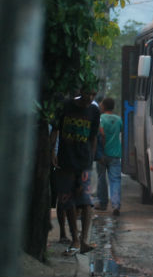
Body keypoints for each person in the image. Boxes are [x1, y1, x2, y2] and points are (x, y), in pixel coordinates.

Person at [51, 87, 100, 255]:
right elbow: (55, 130)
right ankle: (75, 240)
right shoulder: (65, 106)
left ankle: (84, 240)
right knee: (67, 200)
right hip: (65, 160)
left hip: (84, 161)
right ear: (80, 91)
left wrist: (90, 160)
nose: (90, 97)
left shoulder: (94, 110)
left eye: (94, 94)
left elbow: (93, 138)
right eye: (88, 93)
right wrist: (53, 152)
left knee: (86, 201)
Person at [94, 97, 123, 216]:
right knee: (115, 180)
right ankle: (116, 205)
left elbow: (99, 133)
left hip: (102, 154)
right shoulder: (118, 119)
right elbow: (121, 130)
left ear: (104, 106)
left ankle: (103, 203)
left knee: (101, 178)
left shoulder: (100, 119)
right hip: (115, 154)